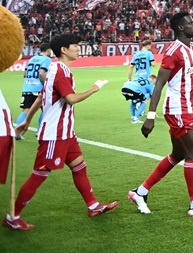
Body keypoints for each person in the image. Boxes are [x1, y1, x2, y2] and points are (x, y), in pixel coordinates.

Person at [128, 12, 193, 217]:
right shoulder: (173, 52)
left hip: (187, 108)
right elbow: (159, 83)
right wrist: (150, 116)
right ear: (180, 28)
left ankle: (140, 192)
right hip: (178, 109)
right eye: (191, 23)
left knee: (178, 154)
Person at [4, 34, 117, 231]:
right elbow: (71, 99)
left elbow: (41, 96)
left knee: (79, 167)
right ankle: (12, 217)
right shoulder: (60, 71)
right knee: (39, 175)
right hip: (55, 134)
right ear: (64, 49)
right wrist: (94, 88)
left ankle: (93, 206)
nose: (78, 48)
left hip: (66, 132)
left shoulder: (55, 69)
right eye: (75, 45)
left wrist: (27, 120)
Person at [14, 41, 51, 140]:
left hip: (27, 88)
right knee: (45, 109)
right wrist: (46, 85)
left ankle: (17, 133)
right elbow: (41, 73)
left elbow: (25, 74)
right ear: (48, 51)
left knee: (26, 110)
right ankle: (40, 132)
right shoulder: (47, 59)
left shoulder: (32, 59)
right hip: (39, 89)